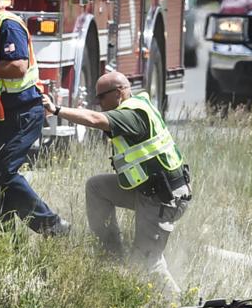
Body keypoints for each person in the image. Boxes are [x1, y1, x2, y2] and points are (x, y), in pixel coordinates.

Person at [41, 71, 192, 294]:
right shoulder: (137, 104)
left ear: (119, 92)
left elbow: (94, 120)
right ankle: (111, 257)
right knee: (97, 187)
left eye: (101, 98)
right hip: (148, 190)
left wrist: (56, 110)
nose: (99, 104)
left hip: (164, 198)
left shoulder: (132, 114)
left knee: (147, 263)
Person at [0, 0, 68, 235]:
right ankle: (2, 232)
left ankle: (51, 227)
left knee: (4, 171)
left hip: (24, 113)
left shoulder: (8, 25)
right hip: (5, 114)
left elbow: (18, 66)